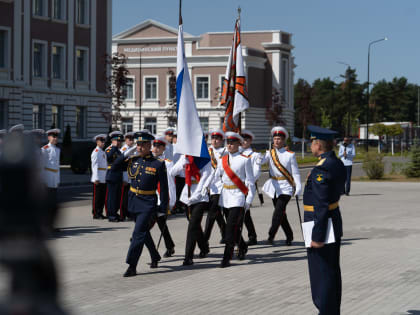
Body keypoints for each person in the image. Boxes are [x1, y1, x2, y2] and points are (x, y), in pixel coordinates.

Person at [303, 125, 346, 315]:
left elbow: (321, 204)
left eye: (312, 142)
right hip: (331, 220)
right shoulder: (336, 163)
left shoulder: (322, 169)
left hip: (320, 224)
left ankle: (326, 311)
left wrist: (317, 236)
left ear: (318, 145)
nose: (310, 146)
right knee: (331, 269)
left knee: (322, 273)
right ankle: (332, 310)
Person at [115, 131, 169, 277]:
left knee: (138, 234)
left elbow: (164, 188)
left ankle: (132, 266)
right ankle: (155, 256)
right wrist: (128, 152)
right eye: (137, 144)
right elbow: (115, 166)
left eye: (141, 145)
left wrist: (163, 207)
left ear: (149, 145)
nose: (138, 147)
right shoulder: (133, 160)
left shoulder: (158, 164)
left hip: (147, 203)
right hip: (132, 201)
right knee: (143, 233)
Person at [215, 132, 255, 268]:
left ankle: (226, 257)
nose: (230, 145)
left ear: (239, 144)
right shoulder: (222, 160)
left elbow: (250, 182)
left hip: (238, 196)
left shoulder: (245, 159)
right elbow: (217, 177)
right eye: (228, 143)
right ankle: (242, 245)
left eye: (233, 143)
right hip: (225, 196)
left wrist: (249, 199)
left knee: (231, 228)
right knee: (233, 228)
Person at [260, 126, 301, 246]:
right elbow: (261, 162)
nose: (277, 141)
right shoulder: (270, 153)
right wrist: (256, 158)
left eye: (279, 139)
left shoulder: (290, 155)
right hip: (274, 187)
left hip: (286, 187)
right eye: (275, 138)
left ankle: (270, 235)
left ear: (284, 141)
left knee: (277, 213)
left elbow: (296, 172)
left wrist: (298, 187)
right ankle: (289, 235)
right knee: (281, 214)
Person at [170, 153, 213, 266]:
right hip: (187, 193)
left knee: (192, 225)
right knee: (194, 224)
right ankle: (204, 246)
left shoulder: (205, 159)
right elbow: (172, 172)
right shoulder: (185, 157)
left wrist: (197, 195)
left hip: (200, 196)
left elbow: (205, 177)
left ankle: (188, 257)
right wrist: (183, 162)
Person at [151, 136, 176, 258]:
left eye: (158, 147)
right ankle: (170, 246)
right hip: (150, 197)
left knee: (159, 223)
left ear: (163, 148)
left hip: (161, 198)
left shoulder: (167, 163)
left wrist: (170, 201)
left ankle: (169, 246)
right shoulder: (149, 161)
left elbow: (170, 184)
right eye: (154, 146)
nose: (155, 149)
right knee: (160, 223)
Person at [203, 129, 227, 245]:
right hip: (211, 185)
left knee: (212, 213)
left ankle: (204, 239)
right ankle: (225, 232)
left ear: (222, 140)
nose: (215, 141)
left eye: (217, 139)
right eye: (213, 138)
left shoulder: (226, 151)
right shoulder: (207, 151)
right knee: (216, 212)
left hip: (222, 185)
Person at [239, 129, 261, 246]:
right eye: (242, 140)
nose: (243, 142)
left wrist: (248, 181)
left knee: (244, 212)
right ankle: (251, 236)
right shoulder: (235, 154)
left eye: (246, 140)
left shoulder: (255, 155)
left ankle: (251, 236)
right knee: (243, 213)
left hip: (246, 186)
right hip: (234, 187)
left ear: (250, 141)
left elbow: (257, 172)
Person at [41, 128, 61, 231]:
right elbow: (42, 166)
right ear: (49, 137)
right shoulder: (45, 149)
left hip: (54, 179)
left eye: (56, 137)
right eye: (53, 136)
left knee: (53, 204)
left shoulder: (58, 150)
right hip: (47, 178)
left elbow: (57, 167)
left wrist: (57, 180)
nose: (55, 138)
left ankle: (51, 225)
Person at [105, 131, 124, 222]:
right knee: (111, 197)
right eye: (117, 140)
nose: (119, 142)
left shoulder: (119, 151)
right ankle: (111, 215)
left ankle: (115, 212)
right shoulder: (109, 149)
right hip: (111, 176)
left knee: (117, 197)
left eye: (120, 141)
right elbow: (107, 157)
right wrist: (114, 147)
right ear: (112, 140)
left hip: (118, 176)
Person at [91, 134, 108, 219]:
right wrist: (96, 178)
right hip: (98, 177)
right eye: (101, 141)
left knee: (102, 196)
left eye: (104, 141)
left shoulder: (102, 151)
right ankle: (95, 213)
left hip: (103, 176)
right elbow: (94, 165)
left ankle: (100, 212)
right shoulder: (96, 152)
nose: (103, 143)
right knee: (97, 197)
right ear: (97, 142)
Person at [120, 132, 135, 220]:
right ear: (125, 140)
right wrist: (123, 178)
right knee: (124, 197)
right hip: (125, 174)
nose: (131, 141)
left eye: (132, 139)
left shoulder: (134, 149)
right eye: (129, 139)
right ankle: (122, 214)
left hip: (131, 175)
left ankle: (129, 213)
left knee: (130, 197)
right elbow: (121, 164)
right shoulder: (123, 149)